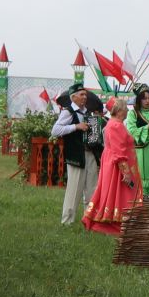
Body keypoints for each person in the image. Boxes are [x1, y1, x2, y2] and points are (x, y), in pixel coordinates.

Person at [82, 97, 140, 235]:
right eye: (125, 108)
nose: (127, 110)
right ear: (119, 110)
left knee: (112, 192)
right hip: (117, 165)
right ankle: (117, 222)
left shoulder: (113, 124)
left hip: (112, 162)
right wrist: (125, 172)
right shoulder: (116, 126)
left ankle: (114, 220)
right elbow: (119, 151)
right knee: (122, 193)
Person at [52, 84, 102, 223]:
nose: (84, 97)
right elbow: (55, 130)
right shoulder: (68, 112)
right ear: (73, 97)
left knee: (92, 188)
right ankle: (67, 221)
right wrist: (76, 126)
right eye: (81, 95)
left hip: (90, 154)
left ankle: (90, 220)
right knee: (74, 190)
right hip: (76, 155)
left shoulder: (88, 114)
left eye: (85, 95)